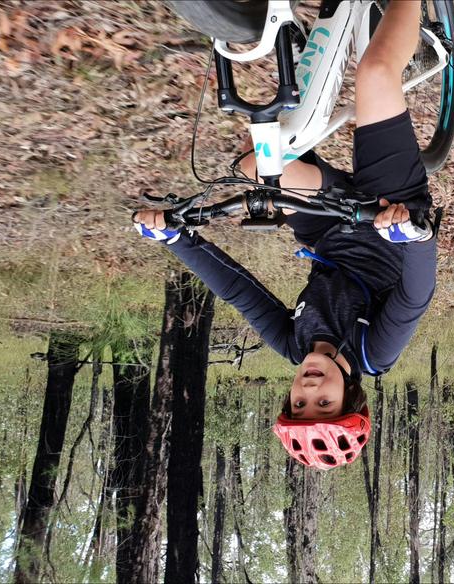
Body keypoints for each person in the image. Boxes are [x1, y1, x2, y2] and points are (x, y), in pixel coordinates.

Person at [134, 0, 435, 470]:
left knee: (257, 167)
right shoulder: (373, 350)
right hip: (386, 216)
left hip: (327, 224)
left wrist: (178, 240)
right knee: (375, 74)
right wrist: (413, 235)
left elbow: (237, 290)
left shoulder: (293, 344)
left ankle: (313, 61)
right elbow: (416, 295)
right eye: (324, 404)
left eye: (298, 405)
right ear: (352, 395)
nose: (309, 391)